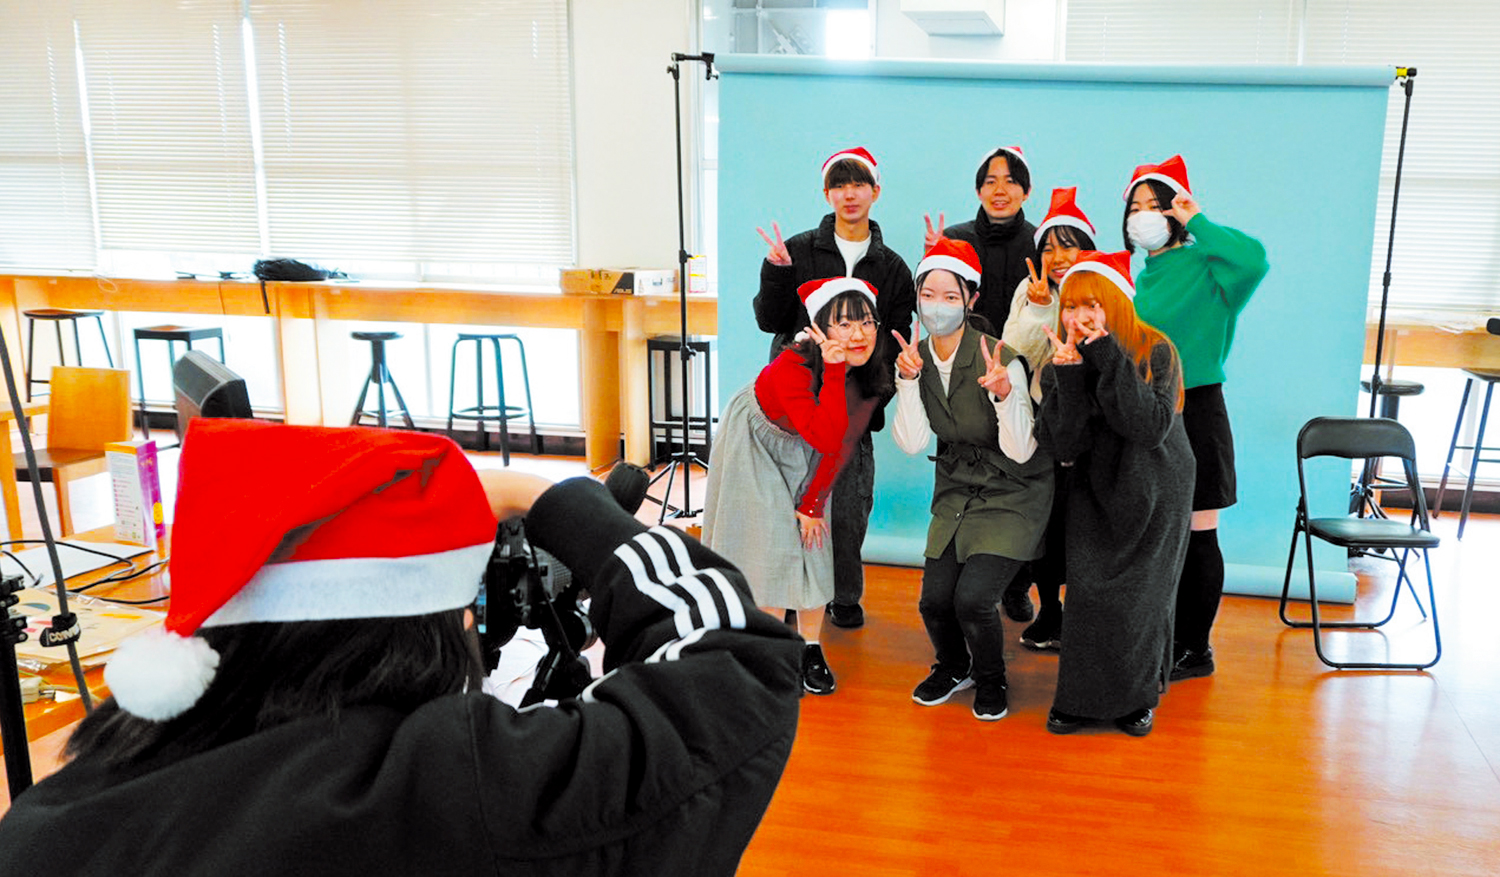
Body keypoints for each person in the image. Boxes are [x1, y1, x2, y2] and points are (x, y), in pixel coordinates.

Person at [0, 420, 803, 877]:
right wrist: (555, 498)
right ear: (416, 632)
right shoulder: (442, 782)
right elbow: (740, 659)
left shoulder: (53, 818)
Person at [704, 277, 892, 695]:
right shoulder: (792, 367)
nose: (858, 334)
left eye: (866, 322)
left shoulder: (871, 376)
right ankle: (773, 651)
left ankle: (809, 648)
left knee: (814, 542)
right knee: (772, 547)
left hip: (813, 440)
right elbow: (825, 436)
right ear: (820, 329)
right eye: (844, 324)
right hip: (757, 442)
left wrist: (812, 504)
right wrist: (835, 371)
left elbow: (839, 446)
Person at [890, 238, 1052, 721]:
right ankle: (953, 665)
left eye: (950, 296)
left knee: (975, 599)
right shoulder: (915, 357)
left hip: (1014, 489)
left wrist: (1004, 394)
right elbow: (913, 443)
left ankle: (991, 676)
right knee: (934, 602)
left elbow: (1022, 450)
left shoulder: (1000, 357)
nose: (936, 307)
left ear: (971, 299)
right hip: (957, 488)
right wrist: (906, 383)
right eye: (928, 295)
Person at [754, 146, 915, 631]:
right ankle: (788, 593)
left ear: (875, 192)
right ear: (827, 193)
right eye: (840, 185)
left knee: (848, 504)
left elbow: (897, 332)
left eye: (859, 183)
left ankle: (843, 593)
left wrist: (877, 392)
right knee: (790, 498)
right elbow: (769, 320)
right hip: (799, 396)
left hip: (856, 395)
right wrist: (777, 273)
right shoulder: (798, 250)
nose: (850, 193)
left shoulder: (892, 266)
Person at [1034, 251, 1194, 737]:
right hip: (1097, 483)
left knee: (1142, 598)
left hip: (1158, 483)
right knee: (1088, 592)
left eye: (1092, 305)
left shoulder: (1157, 351)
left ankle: (1136, 698)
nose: (1079, 316)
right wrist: (1068, 377)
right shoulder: (1060, 361)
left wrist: (1106, 355)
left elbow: (1148, 427)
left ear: (1117, 305)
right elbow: (1064, 446)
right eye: (1070, 306)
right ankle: (1078, 699)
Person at [1122, 155, 1269, 681]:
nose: (1143, 215)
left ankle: (1194, 648)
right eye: (1134, 207)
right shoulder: (1143, 277)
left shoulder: (1208, 266)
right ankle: (1159, 636)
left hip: (1198, 406)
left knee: (1198, 531)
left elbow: (1254, 261)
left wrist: (1196, 219)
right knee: (1155, 531)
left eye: (1155, 205)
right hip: (1148, 409)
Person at [925, 144, 1037, 624]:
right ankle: (964, 573)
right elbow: (936, 303)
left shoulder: (1039, 242)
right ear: (978, 189)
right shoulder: (956, 238)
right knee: (964, 476)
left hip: (1021, 378)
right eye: (990, 180)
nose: (1000, 189)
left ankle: (1016, 583)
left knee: (1022, 476)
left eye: (1010, 180)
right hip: (962, 374)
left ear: (1026, 190)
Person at [1000, 187, 1098, 651]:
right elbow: (1012, 352)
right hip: (1045, 419)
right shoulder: (1030, 289)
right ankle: (1049, 611)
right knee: (1046, 521)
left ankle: (1083, 615)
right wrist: (1040, 307)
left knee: (1085, 523)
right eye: (1049, 248)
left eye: (1068, 245)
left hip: (1091, 425)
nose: (1058, 257)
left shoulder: (1103, 286)